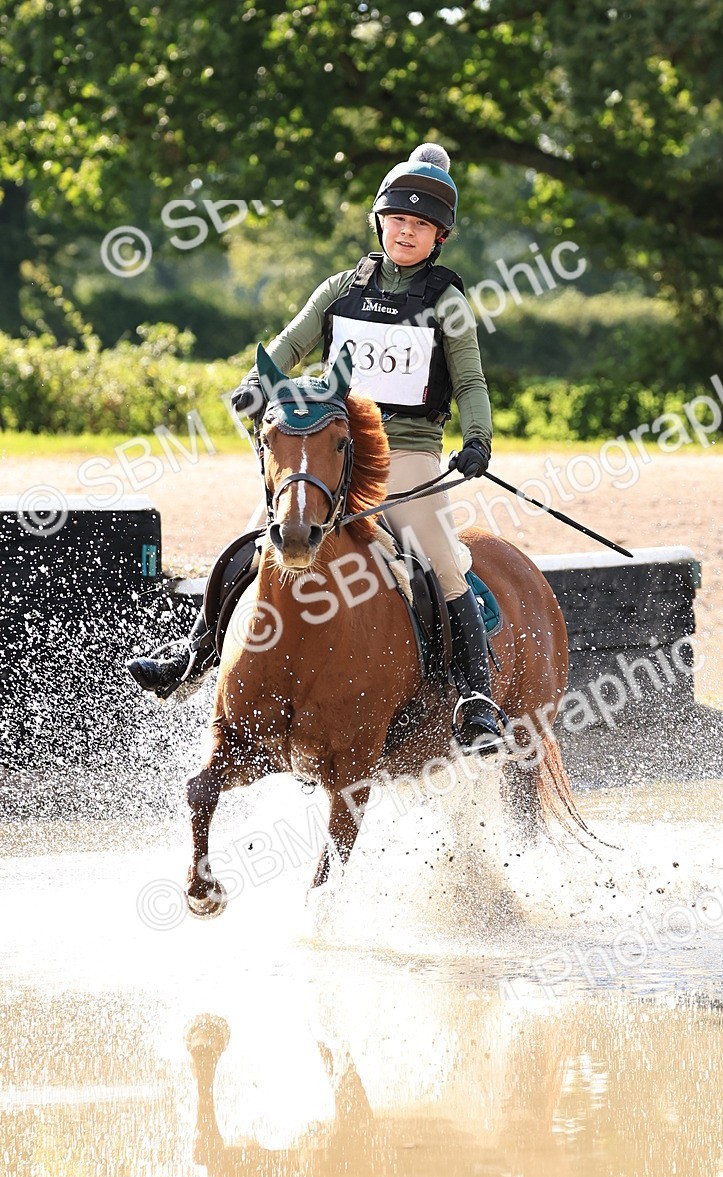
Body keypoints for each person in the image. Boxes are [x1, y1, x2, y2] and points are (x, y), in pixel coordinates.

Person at [128, 143, 504, 752]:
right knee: (252, 542)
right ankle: (194, 658)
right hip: (333, 446)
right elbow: (288, 346)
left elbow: (469, 381)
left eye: (420, 226)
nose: (406, 233)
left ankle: (473, 695)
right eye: (397, 221)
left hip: (406, 451)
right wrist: (255, 385)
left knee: (439, 555)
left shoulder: (447, 301)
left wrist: (477, 438)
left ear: (439, 238)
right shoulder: (339, 289)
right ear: (379, 222)